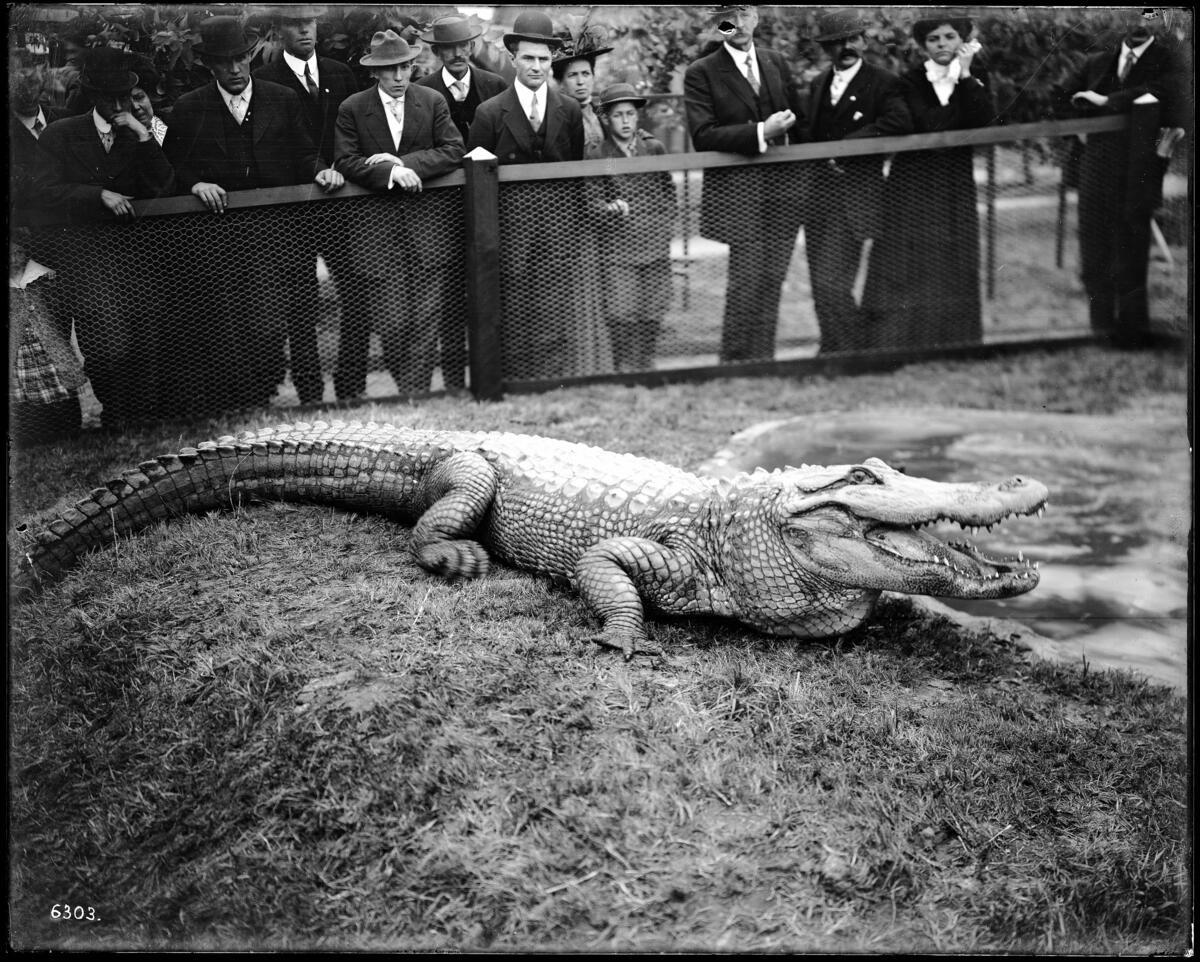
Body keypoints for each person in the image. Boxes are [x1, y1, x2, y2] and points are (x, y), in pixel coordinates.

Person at [164, 15, 344, 411]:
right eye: (223, 61)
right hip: (222, 241)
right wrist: (195, 184)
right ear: (208, 65)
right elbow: (172, 166)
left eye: (241, 58)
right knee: (237, 328)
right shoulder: (190, 108)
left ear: (250, 56)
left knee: (284, 321)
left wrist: (321, 170)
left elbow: (303, 152)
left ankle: (304, 399)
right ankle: (251, 402)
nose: (234, 69)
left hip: (282, 235)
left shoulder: (281, 98)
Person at [467, 10, 613, 380]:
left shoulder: (568, 111)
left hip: (558, 235)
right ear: (514, 58)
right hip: (509, 236)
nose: (537, 66)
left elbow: (575, 175)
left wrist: (572, 226)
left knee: (553, 311)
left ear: (552, 60)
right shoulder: (489, 113)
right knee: (514, 312)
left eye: (544, 59)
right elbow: (478, 187)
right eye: (529, 58)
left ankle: (552, 383)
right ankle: (515, 384)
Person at [36, 48, 175, 426]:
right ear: (93, 96)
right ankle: (115, 416)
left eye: (124, 95)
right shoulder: (63, 133)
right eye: (110, 96)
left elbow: (164, 185)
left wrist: (145, 136)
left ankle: (139, 420)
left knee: (146, 339)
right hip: (87, 259)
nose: (119, 104)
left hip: (139, 258)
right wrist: (96, 195)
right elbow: (43, 190)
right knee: (107, 344)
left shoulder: (136, 134)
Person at [332, 30, 464, 399]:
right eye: (391, 70)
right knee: (391, 323)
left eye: (405, 67)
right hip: (376, 235)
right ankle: (410, 389)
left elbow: (454, 149)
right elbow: (345, 160)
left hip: (427, 232)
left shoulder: (433, 100)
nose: (401, 77)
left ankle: (415, 398)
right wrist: (389, 173)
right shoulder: (352, 108)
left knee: (425, 320)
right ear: (375, 72)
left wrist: (404, 163)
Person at [861, 16, 994, 350]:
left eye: (950, 37)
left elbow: (983, 121)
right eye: (933, 39)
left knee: (954, 257)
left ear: (962, 41)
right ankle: (896, 344)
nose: (942, 44)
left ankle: (956, 344)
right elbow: (928, 124)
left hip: (954, 183)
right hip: (911, 186)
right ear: (922, 45)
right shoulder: (907, 81)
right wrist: (958, 113)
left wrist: (964, 75)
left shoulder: (975, 78)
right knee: (905, 260)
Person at [683, 4, 805, 364]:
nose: (736, 24)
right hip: (739, 198)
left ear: (757, 18)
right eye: (728, 17)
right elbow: (704, 135)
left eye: (744, 13)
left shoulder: (775, 61)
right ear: (717, 24)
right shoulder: (701, 72)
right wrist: (761, 132)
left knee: (772, 281)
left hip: (782, 194)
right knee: (746, 282)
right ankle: (734, 363)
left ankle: (762, 362)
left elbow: (800, 122)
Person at [1064, 14, 1185, 349]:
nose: (1138, 22)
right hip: (1096, 168)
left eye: (1147, 13)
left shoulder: (1170, 58)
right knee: (1094, 252)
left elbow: (1164, 93)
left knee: (1131, 251)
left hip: (1140, 168)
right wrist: (1079, 127)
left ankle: (1132, 334)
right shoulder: (1098, 62)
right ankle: (1101, 331)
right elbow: (1060, 97)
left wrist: (1107, 101)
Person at [802, 9, 912, 355]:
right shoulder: (819, 83)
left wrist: (847, 148)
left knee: (830, 282)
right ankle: (831, 350)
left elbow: (899, 122)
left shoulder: (883, 81)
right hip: (818, 199)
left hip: (856, 198)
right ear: (826, 49)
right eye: (836, 43)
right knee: (820, 284)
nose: (845, 47)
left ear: (863, 41)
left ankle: (859, 352)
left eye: (852, 39)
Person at [416, 14, 508, 391]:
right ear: (437, 52)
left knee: (493, 290)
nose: (456, 53)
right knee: (450, 299)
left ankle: (495, 375)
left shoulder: (495, 85)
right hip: (443, 212)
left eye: (462, 45)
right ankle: (455, 382)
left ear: (471, 47)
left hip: (490, 210)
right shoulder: (422, 91)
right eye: (448, 47)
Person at [595, 83, 676, 372]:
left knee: (653, 308)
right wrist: (608, 208)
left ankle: (646, 364)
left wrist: (664, 227)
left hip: (654, 244)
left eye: (630, 114)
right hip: (619, 250)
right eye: (618, 115)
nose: (626, 121)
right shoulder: (599, 154)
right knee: (622, 311)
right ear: (606, 118)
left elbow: (668, 193)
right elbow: (591, 199)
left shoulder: (653, 147)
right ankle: (623, 367)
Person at [252, 4, 359, 167]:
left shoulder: (341, 72)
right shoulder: (263, 80)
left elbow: (356, 128)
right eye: (294, 23)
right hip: (294, 183)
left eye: (309, 21)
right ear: (278, 31)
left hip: (344, 176)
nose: (304, 30)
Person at [9, 231, 84, 445]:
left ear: (25, 253)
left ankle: (69, 428)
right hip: (20, 348)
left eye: (18, 253)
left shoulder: (42, 276)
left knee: (59, 381)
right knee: (24, 386)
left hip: (48, 344)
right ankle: (35, 433)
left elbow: (59, 311)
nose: (14, 259)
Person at [550, 20, 614, 159]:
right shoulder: (555, 118)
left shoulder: (600, 113)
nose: (580, 82)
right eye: (572, 75)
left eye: (585, 74)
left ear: (593, 76)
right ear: (560, 82)